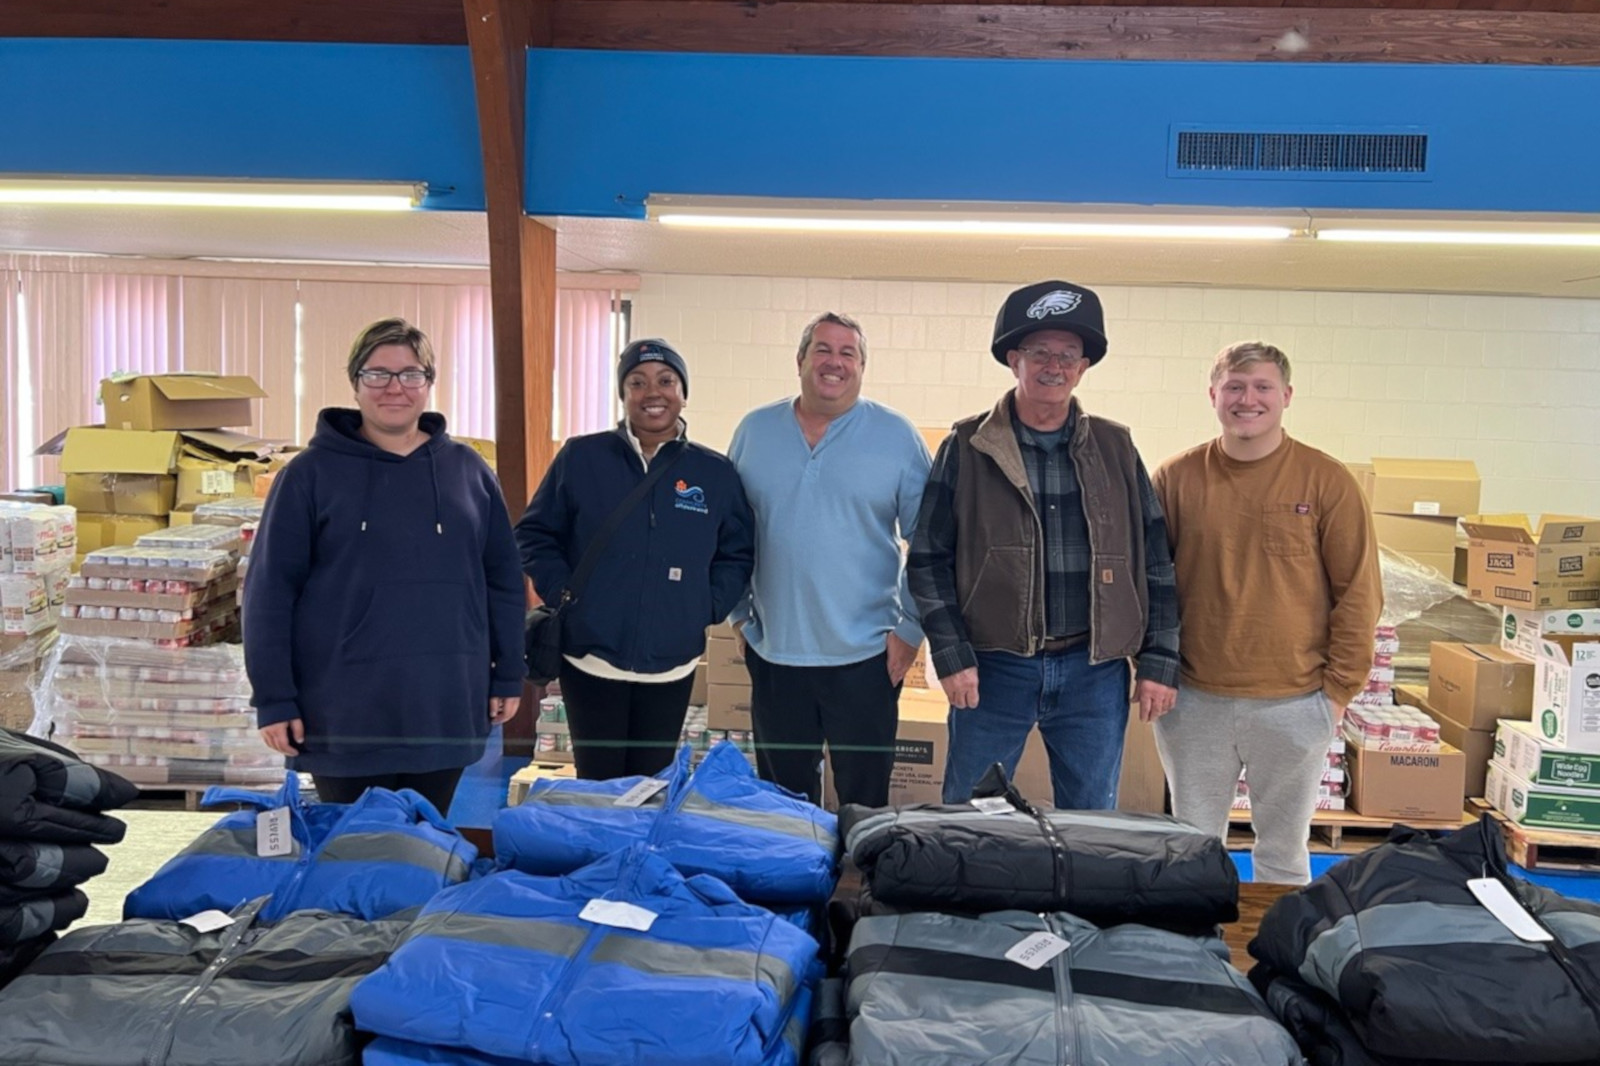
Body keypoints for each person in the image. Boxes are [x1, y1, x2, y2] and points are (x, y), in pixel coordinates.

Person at [908, 280, 1180, 811]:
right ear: (1014, 360)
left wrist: (1159, 660)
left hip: (1094, 673)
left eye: (1068, 355)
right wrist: (951, 654)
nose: (1054, 366)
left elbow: (1156, 562)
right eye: (1039, 353)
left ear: (1083, 367)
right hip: (992, 669)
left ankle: (1069, 901)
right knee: (970, 816)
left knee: (1090, 819)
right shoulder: (967, 447)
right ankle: (974, 899)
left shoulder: (1116, 448)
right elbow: (927, 560)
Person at [245, 318, 526, 815]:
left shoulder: (468, 472)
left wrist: (507, 674)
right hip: (343, 713)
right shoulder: (307, 477)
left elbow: (502, 581)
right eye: (378, 375)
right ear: (355, 383)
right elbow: (270, 594)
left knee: (424, 849)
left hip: (445, 705)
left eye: (410, 374)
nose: (395, 388)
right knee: (354, 860)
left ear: (429, 384)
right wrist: (274, 698)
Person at [1152, 340, 1381, 884]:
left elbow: (1359, 593)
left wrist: (1336, 694)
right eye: (1234, 387)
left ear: (1286, 396)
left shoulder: (1327, 482)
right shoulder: (1175, 479)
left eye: (1261, 388)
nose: (1247, 400)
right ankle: (1193, 960)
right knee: (1192, 848)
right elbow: (1149, 586)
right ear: (1213, 395)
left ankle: (1283, 960)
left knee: (1283, 852)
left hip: (1296, 703)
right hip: (1193, 700)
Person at [517, 338, 754, 781]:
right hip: (590, 659)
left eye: (666, 380)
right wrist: (566, 593)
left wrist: (704, 607)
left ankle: (638, 852)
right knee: (599, 786)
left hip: (671, 663)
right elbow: (534, 532)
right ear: (623, 393)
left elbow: (737, 553)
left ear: (683, 392)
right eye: (637, 382)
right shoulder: (581, 457)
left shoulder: (713, 473)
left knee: (648, 787)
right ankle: (603, 852)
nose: (653, 392)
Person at [728, 312, 930, 808]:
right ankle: (796, 886)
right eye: (822, 349)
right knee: (783, 803)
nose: (834, 362)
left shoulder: (897, 437)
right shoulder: (755, 431)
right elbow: (729, 532)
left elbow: (930, 541)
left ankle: (862, 885)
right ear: (800, 360)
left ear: (862, 367)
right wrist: (737, 615)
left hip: (865, 657)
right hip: (776, 653)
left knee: (864, 802)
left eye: (847, 353)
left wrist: (910, 631)